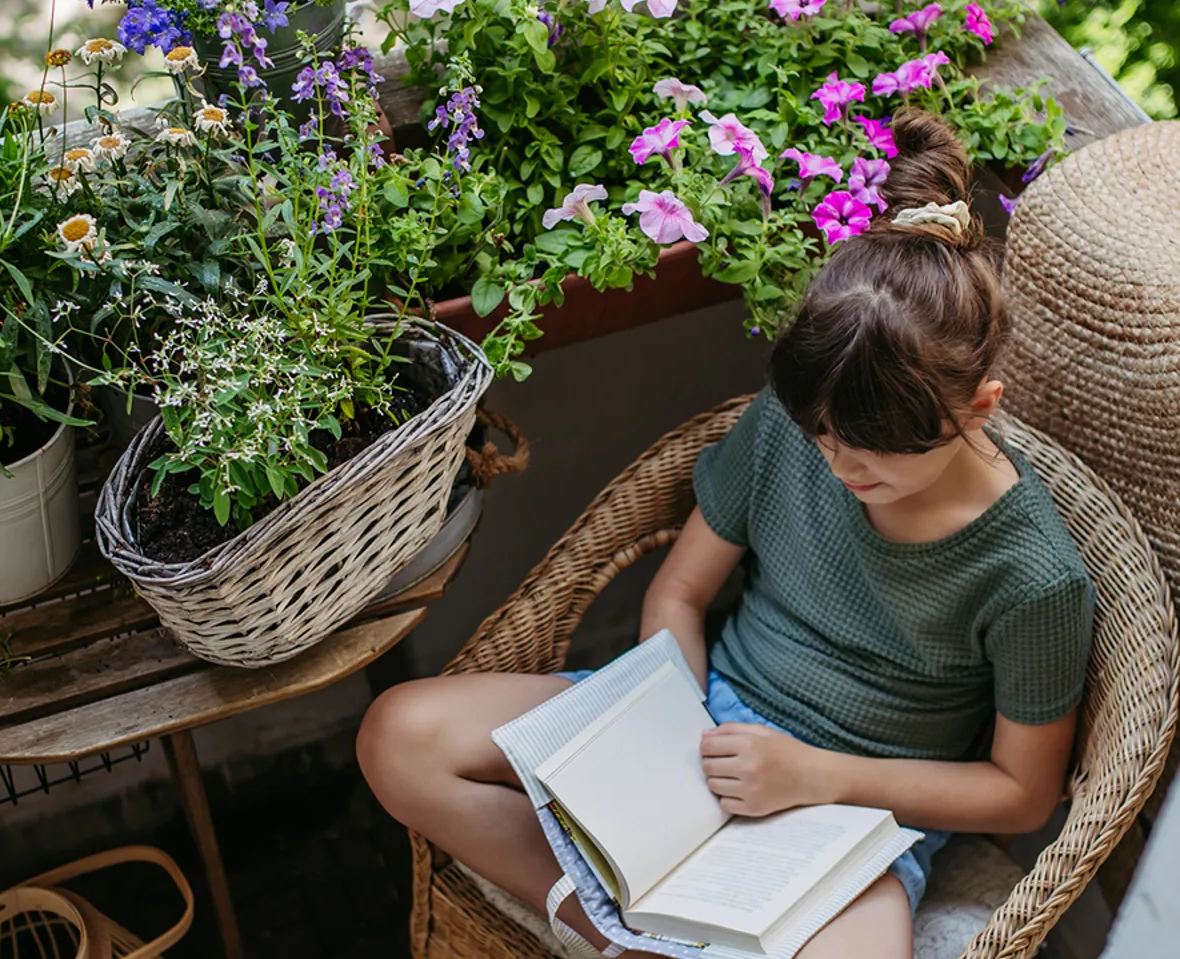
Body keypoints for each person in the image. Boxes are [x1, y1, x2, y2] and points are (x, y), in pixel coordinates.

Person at [356, 108, 1095, 959]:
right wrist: (676, 722)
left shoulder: (1032, 576)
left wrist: (816, 775)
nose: (840, 466)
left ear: (979, 407)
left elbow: (1021, 793)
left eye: (877, 451)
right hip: (701, 722)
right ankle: (627, 937)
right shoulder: (790, 425)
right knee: (399, 737)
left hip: (855, 806)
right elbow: (681, 590)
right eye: (823, 434)